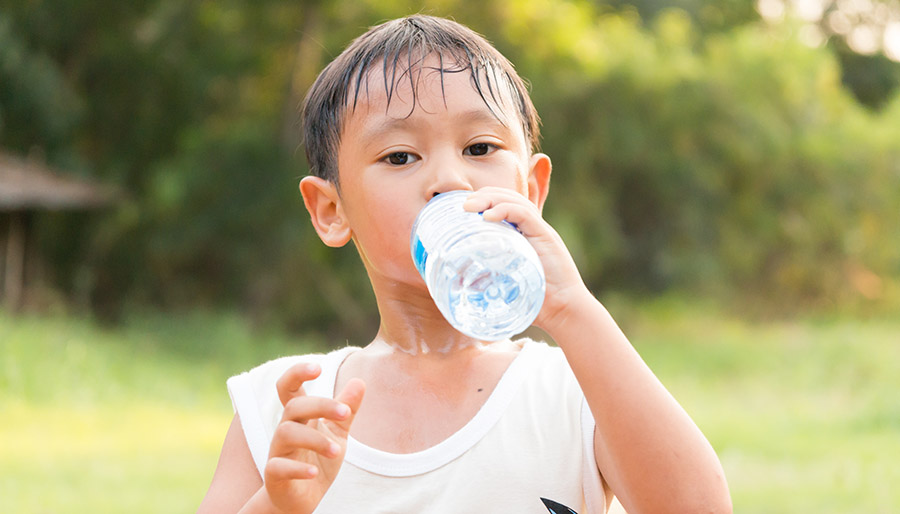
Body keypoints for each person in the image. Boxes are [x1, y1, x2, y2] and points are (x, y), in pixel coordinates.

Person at [198, 14, 731, 514]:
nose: (451, 180)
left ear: (531, 189)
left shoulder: (578, 391)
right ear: (331, 211)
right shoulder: (290, 409)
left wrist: (573, 309)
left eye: (480, 147)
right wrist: (276, 503)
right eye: (400, 157)